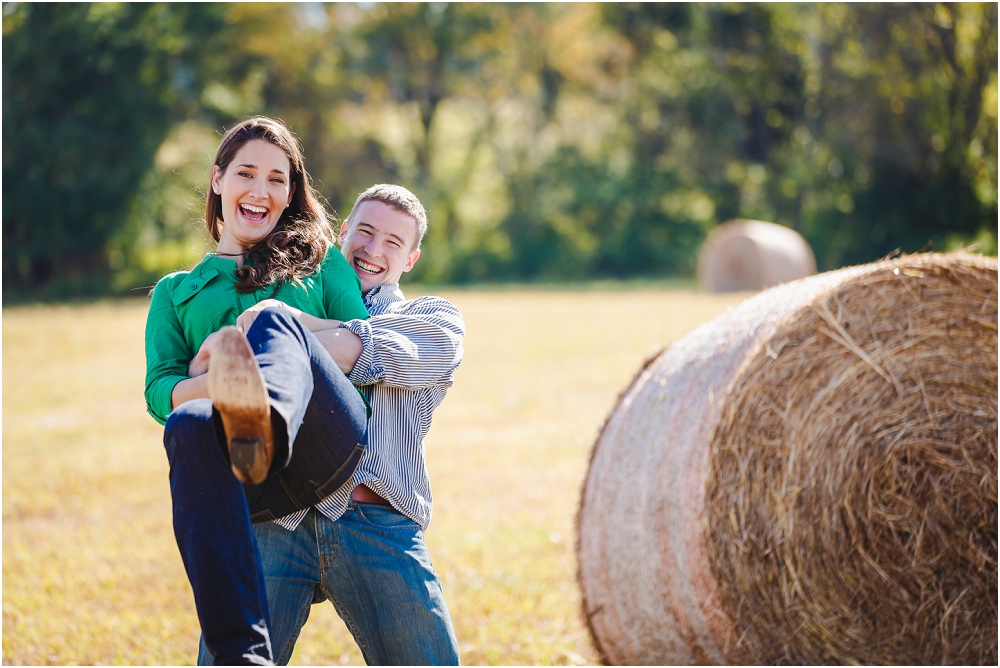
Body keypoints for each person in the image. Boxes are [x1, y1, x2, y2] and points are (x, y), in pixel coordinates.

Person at [198, 184, 465, 665]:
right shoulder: (274, 294)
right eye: (365, 232)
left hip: (376, 520)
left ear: (411, 259)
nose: (373, 250)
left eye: (393, 243)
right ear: (343, 232)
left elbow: (373, 353)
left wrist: (282, 326)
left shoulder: (432, 316)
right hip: (278, 516)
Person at [144, 116, 372, 665]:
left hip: (327, 445)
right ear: (218, 180)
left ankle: (266, 418)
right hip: (248, 478)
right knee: (188, 424)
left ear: (291, 193)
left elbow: (365, 345)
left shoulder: (321, 266)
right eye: (246, 173)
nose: (261, 190)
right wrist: (217, 380)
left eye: (277, 179)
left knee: (271, 320)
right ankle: (241, 654)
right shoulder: (175, 294)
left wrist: (274, 328)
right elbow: (159, 391)